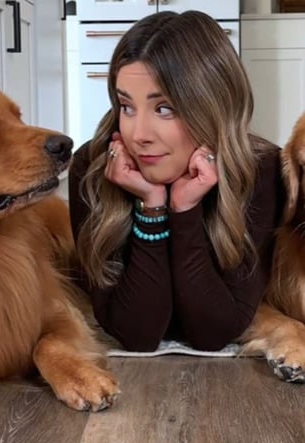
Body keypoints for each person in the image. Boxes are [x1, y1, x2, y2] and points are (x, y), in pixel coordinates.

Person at [69, 10, 286, 353]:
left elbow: (214, 332)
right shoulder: (93, 166)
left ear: (211, 107)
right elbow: (136, 334)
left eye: (164, 109)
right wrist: (151, 208)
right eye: (127, 106)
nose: (139, 135)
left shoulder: (261, 170)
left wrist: (184, 210)